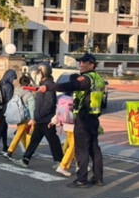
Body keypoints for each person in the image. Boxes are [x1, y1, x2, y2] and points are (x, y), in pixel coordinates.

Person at [40, 52, 104, 188]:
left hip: (84, 118)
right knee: (94, 149)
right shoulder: (99, 78)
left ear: (91, 65)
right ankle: (98, 178)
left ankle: (81, 179)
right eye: (80, 62)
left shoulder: (86, 79)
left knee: (82, 149)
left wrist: (48, 87)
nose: (80, 65)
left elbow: (68, 86)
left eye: (83, 62)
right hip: (94, 117)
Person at [13, 63, 63, 167]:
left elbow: (49, 103)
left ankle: (60, 161)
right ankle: (25, 159)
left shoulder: (49, 86)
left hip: (46, 120)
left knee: (53, 140)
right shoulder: (43, 84)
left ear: (44, 73)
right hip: (41, 120)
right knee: (35, 140)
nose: (37, 75)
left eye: (39, 73)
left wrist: (38, 116)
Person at [4, 75, 35, 159]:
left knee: (22, 133)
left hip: (17, 114)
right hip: (25, 116)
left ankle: (27, 149)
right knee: (19, 133)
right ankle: (10, 150)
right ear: (28, 84)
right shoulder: (29, 94)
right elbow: (32, 107)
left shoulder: (17, 91)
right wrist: (32, 118)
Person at [0, 69, 17, 157]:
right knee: (1, 128)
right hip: (4, 109)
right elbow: (9, 100)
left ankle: (5, 146)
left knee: (4, 127)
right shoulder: (8, 86)